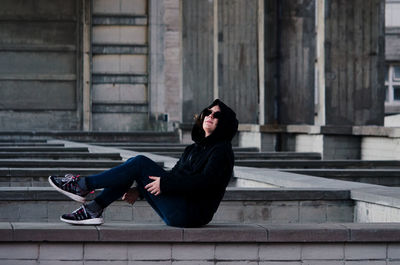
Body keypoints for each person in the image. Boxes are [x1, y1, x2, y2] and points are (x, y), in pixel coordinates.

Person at [48, 99, 238, 227]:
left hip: (191, 214)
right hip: (180, 208)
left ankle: (83, 186)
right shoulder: (194, 149)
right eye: (208, 112)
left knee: (138, 163)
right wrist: (139, 191)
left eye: (217, 115)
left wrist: (166, 184)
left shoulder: (222, 152)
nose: (210, 116)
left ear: (225, 123)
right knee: (133, 167)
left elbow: (205, 184)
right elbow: (177, 174)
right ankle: (92, 209)